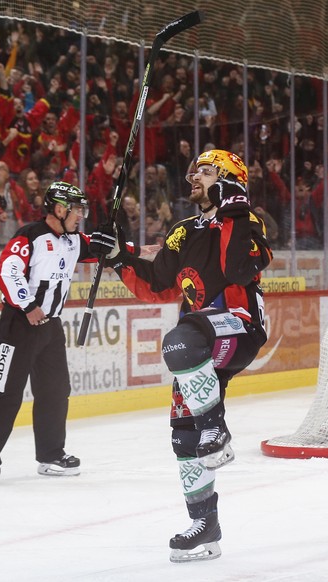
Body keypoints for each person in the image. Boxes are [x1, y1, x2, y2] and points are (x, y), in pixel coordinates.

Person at [89, 149, 273, 563]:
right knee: (183, 434)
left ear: (229, 178)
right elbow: (157, 283)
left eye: (206, 172)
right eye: (194, 170)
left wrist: (235, 211)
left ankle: (217, 431)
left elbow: (239, 270)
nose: (195, 176)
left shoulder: (248, 220)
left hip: (239, 325)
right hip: (198, 336)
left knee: (178, 342)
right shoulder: (183, 230)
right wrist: (119, 257)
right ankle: (205, 527)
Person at [0, 182, 96, 485]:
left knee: (55, 391)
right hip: (19, 324)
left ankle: (51, 454)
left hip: (51, 328)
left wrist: (127, 246)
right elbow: (6, 271)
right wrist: (28, 305)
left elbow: (107, 249)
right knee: (5, 392)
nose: (80, 215)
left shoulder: (72, 240)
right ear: (58, 208)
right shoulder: (29, 236)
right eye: (75, 209)